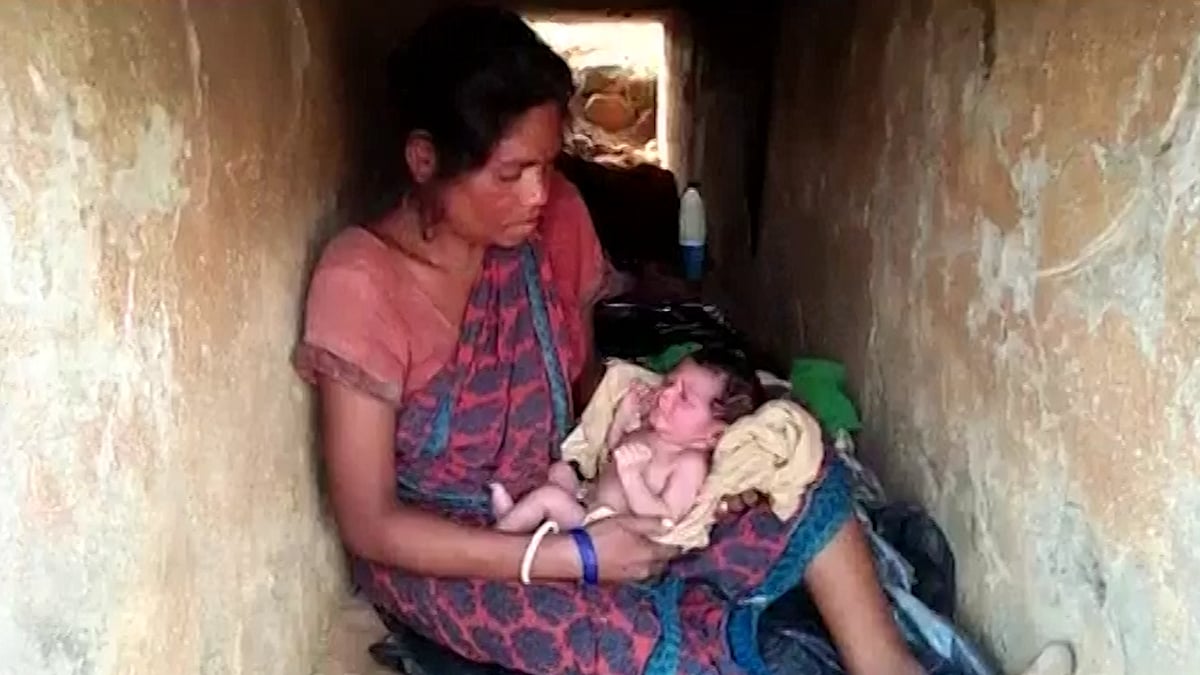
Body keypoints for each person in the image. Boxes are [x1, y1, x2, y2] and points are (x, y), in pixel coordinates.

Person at [295, 6, 924, 674]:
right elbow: (371, 522)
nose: (538, 194)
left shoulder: (556, 220)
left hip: (576, 491)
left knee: (795, 471)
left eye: (548, 165)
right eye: (511, 173)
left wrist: (698, 453)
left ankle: (890, 667)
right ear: (424, 159)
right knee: (630, 637)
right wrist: (575, 557)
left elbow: (583, 384)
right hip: (451, 549)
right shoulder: (363, 282)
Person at [490, 348, 763, 532]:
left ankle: (503, 536)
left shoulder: (689, 463)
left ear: (714, 435)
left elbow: (664, 520)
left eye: (683, 398)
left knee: (549, 497)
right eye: (669, 383)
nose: (665, 394)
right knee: (560, 471)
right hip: (590, 500)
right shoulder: (652, 430)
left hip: (608, 532)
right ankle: (527, 522)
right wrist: (623, 416)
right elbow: (613, 454)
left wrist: (633, 479)